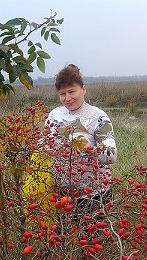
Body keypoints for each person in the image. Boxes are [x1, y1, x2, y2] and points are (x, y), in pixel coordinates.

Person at [45, 64, 118, 217]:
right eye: (62, 93)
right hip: (61, 196)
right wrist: (48, 148)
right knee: (63, 239)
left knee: (92, 240)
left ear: (83, 89)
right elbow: (42, 144)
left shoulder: (98, 117)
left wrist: (90, 148)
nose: (67, 98)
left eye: (72, 91)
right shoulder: (55, 115)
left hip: (93, 196)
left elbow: (111, 156)